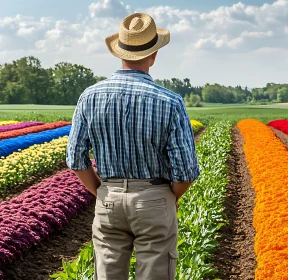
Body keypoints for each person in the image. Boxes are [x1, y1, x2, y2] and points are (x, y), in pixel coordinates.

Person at [66, 12, 200, 280]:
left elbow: (76, 158)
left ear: (120, 52)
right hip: (154, 196)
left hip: (109, 198)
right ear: (154, 55)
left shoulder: (90, 96)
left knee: (107, 272)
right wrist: (168, 199)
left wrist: (102, 192)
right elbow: (185, 171)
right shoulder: (170, 101)